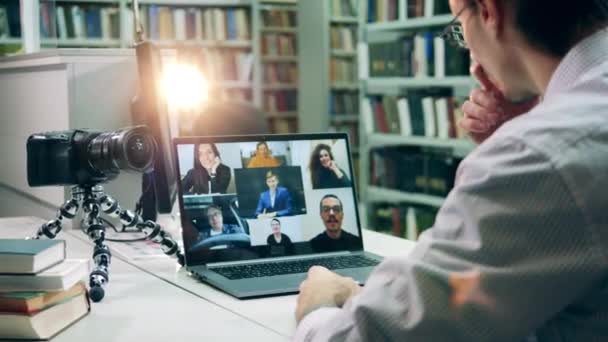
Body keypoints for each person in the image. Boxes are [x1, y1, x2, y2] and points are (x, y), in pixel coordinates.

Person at [294, 1, 608, 341]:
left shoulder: (539, 154)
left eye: (458, 26)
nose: (468, 48)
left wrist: (317, 307)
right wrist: (523, 127)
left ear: (489, 12)